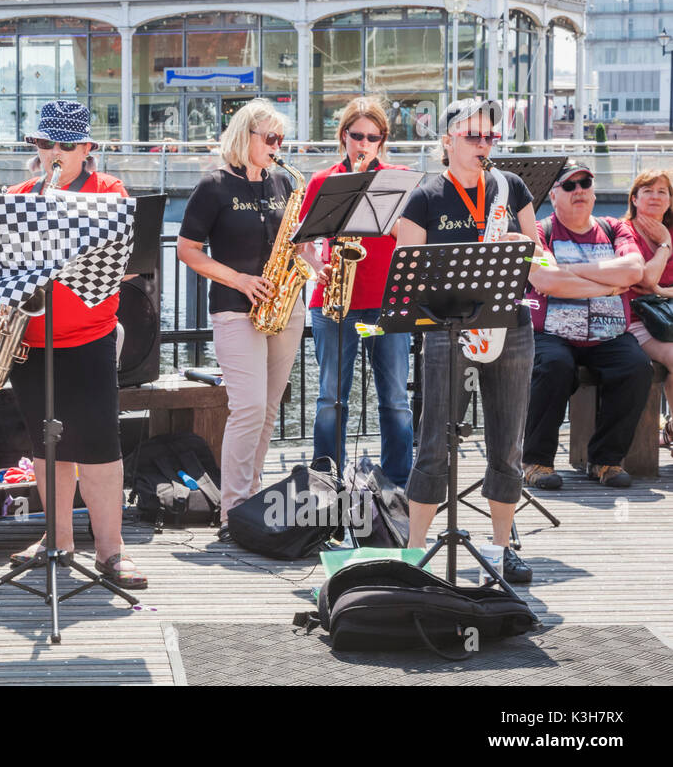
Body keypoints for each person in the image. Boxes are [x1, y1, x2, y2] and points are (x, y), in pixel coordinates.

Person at [0, 99, 147, 590]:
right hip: (31, 343)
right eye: (46, 144)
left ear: (86, 149)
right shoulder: (16, 194)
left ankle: (111, 551)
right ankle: (59, 539)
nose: (55, 153)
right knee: (48, 448)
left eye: (66, 145)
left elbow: (127, 260)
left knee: (99, 447)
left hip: (88, 338)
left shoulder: (107, 190)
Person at [394, 98, 536, 583]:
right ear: (448, 139)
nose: (483, 144)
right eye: (473, 135)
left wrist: (521, 249)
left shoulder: (510, 187)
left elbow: (535, 259)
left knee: (508, 442)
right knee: (434, 438)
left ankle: (499, 551)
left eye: (490, 137)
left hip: (510, 325)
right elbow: (407, 270)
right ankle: (414, 554)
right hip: (447, 330)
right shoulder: (425, 196)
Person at [176, 98, 303, 532]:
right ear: (244, 134)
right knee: (247, 407)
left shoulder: (284, 182)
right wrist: (240, 280)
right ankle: (232, 510)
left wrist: (316, 263)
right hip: (235, 309)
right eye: (269, 138)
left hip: (284, 307)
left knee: (268, 410)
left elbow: (296, 242)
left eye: (280, 139)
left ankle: (252, 498)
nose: (276, 145)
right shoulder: (213, 186)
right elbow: (187, 250)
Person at [298, 96, 413, 485]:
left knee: (396, 400)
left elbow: (412, 238)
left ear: (382, 139)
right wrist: (318, 265)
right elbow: (303, 242)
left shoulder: (397, 178)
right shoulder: (323, 181)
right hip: (334, 301)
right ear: (343, 135)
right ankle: (326, 481)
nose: (363, 143)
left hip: (387, 300)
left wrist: (384, 211)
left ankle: (397, 482)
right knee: (331, 399)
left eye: (372, 137)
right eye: (356, 135)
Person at [521, 161, 650, 490]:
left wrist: (571, 269)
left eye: (585, 184)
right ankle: (536, 461)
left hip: (608, 334)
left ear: (593, 193)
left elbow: (634, 271)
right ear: (554, 195)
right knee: (553, 366)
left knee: (637, 367)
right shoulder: (539, 231)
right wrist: (608, 285)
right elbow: (546, 280)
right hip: (553, 333)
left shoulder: (614, 229)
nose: (578, 191)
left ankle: (605, 460)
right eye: (569, 186)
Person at [620, 169, 673, 427]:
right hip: (637, 322)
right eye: (647, 191)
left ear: (670, 200)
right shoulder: (625, 231)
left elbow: (654, 286)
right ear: (634, 199)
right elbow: (645, 280)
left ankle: (671, 426)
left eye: (662, 191)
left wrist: (663, 292)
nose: (655, 196)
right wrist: (664, 243)